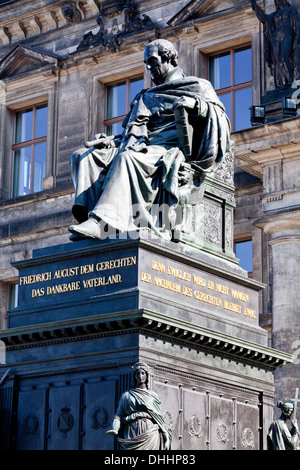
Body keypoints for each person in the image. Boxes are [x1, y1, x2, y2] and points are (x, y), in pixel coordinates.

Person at [68, 39, 230, 241]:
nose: (148, 67)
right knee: (83, 157)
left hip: (167, 148)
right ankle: (89, 220)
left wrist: (198, 106)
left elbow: (221, 119)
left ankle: (103, 223)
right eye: (146, 63)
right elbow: (133, 133)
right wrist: (111, 142)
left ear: (169, 58)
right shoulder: (145, 95)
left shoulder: (197, 86)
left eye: (152, 61)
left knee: (128, 159)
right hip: (139, 146)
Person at [106, 362, 171, 450]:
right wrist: (115, 429)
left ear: (147, 375)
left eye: (143, 373)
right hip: (131, 430)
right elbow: (118, 416)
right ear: (134, 376)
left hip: (150, 431)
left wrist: (166, 438)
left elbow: (160, 420)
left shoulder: (153, 396)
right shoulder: (127, 395)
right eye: (137, 373)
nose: (140, 376)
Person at [251, 0, 300, 88]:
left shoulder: (290, 9)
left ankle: (291, 79)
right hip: (276, 37)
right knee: (277, 61)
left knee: (284, 57)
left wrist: (297, 37)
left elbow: (297, 24)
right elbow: (263, 18)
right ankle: (281, 83)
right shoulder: (275, 14)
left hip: (287, 34)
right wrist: (254, 5)